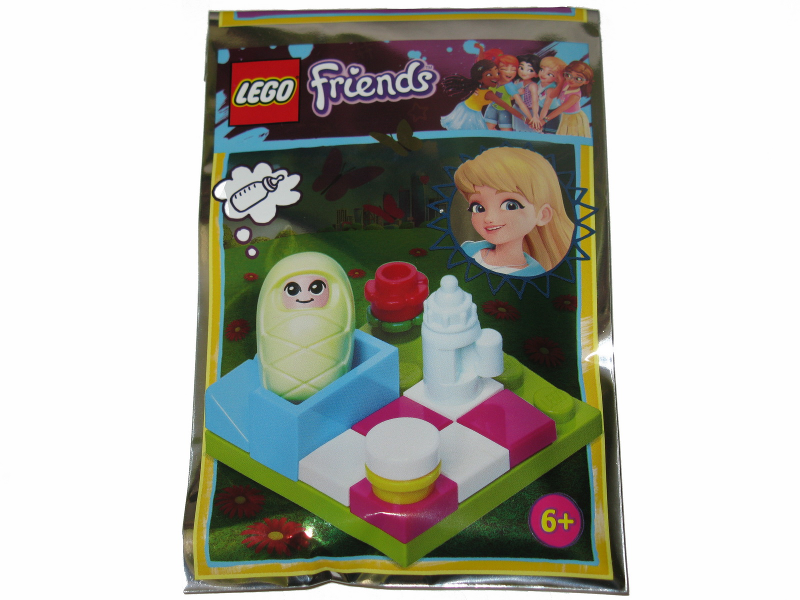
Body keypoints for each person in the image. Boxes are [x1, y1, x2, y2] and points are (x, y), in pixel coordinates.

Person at [454, 147, 574, 275]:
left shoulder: (534, 274)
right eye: (478, 208)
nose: (489, 218)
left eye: (510, 206)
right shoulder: (467, 250)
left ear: (543, 215)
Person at [441, 60, 532, 131]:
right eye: (489, 74)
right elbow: (506, 106)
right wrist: (525, 119)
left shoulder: (481, 87)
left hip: (465, 108)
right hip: (469, 114)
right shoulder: (488, 93)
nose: (496, 77)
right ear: (479, 78)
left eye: (497, 73)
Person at [541, 60, 593, 138]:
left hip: (575, 119)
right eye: (568, 75)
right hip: (565, 117)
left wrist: (544, 120)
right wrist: (561, 81)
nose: (571, 80)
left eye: (578, 78)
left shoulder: (575, 96)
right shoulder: (566, 83)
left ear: (586, 82)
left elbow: (561, 109)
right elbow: (552, 95)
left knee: (573, 137)